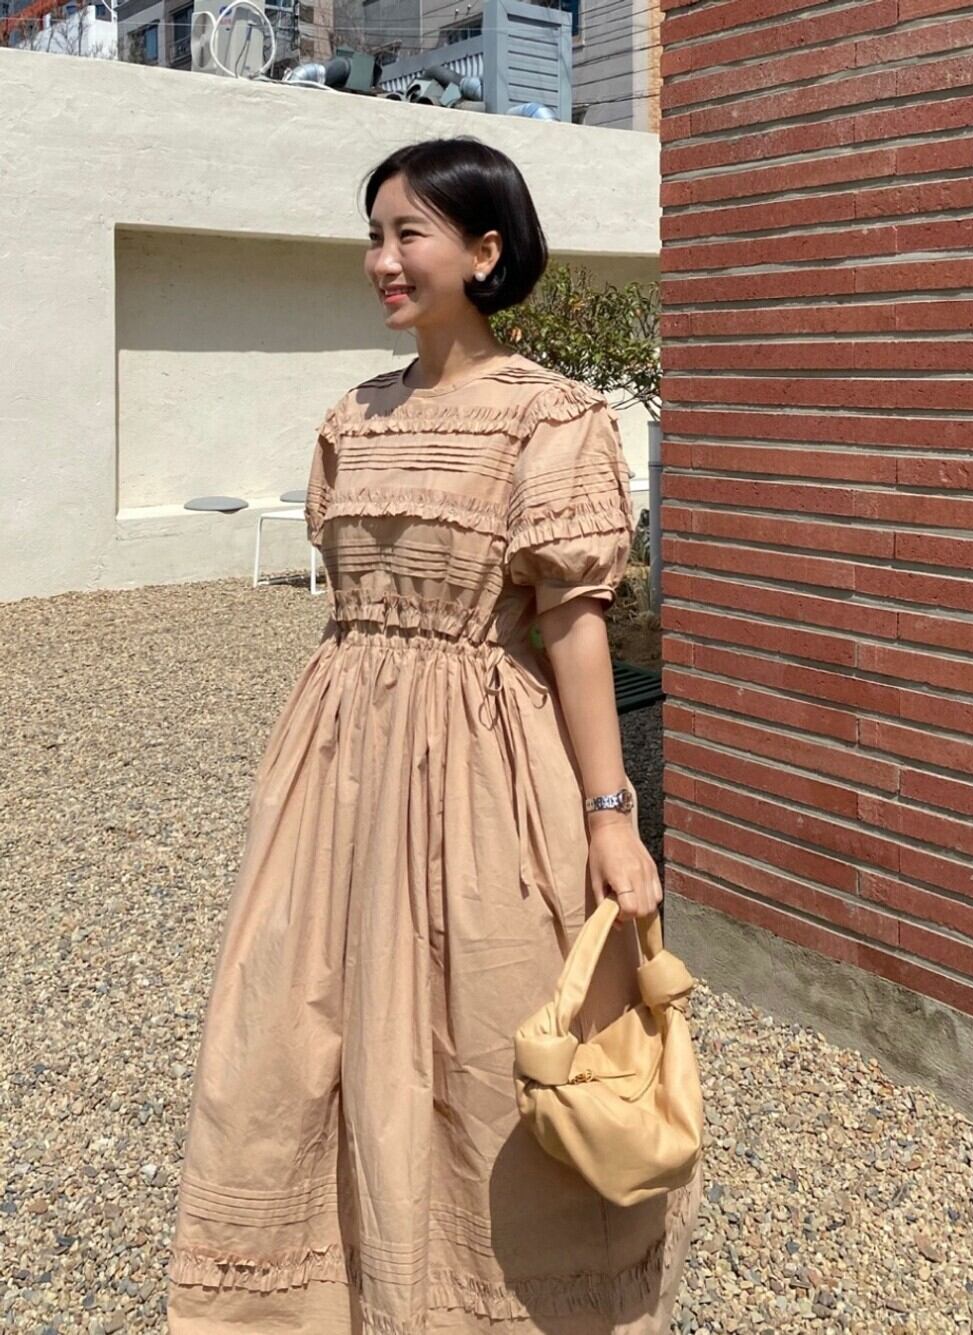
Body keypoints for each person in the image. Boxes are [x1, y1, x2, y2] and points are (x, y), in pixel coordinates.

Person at [167, 135, 703, 1333]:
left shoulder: (551, 419)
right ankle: (332, 1291)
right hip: (335, 764)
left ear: (486, 250)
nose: (382, 260)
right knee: (302, 1028)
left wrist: (611, 816)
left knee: (485, 1028)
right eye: (374, 236)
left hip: (483, 762)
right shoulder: (353, 417)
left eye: (408, 233)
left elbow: (573, 629)